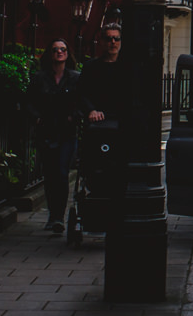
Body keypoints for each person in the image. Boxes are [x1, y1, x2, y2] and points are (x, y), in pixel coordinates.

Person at [26, 40, 80, 233]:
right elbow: (29, 102)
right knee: (49, 175)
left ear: (68, 54)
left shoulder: (74, 78)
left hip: (66, 132)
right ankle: (52, 215)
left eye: (63, 50)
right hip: (46, 131)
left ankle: (59, 217)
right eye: (56, 50)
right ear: (50, 54)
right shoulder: (40, 78)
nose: (59, 53)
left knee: (62, 173)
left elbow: (81, 102)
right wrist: (37, 118)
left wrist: (73, 117)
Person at [78, 21, 126, 125]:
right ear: (102, 41)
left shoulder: (128, 68)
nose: (113, 42)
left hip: (122, 121)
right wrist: (91, 110)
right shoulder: (90, 66)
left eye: (117, 39)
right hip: (97, 121)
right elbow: (81, 92)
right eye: (109, 39)